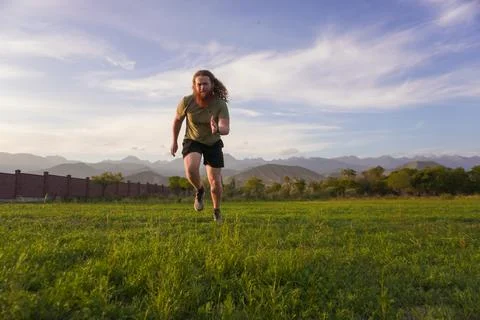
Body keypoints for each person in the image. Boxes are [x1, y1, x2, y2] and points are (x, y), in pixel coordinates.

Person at [170, 70, 230, 222]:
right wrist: (174, 141)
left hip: (213, 142)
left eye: (205, 84)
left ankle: (216, 210)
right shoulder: (187, 101)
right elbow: (177, 121)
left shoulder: (220, 104)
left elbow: (225, 128)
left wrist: (217, 128)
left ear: (212, 85)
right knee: (191, 170)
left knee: (215, 183)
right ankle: (200, 190)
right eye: (199, 84)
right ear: (194, 86)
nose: (202, 87)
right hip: (193, 139)